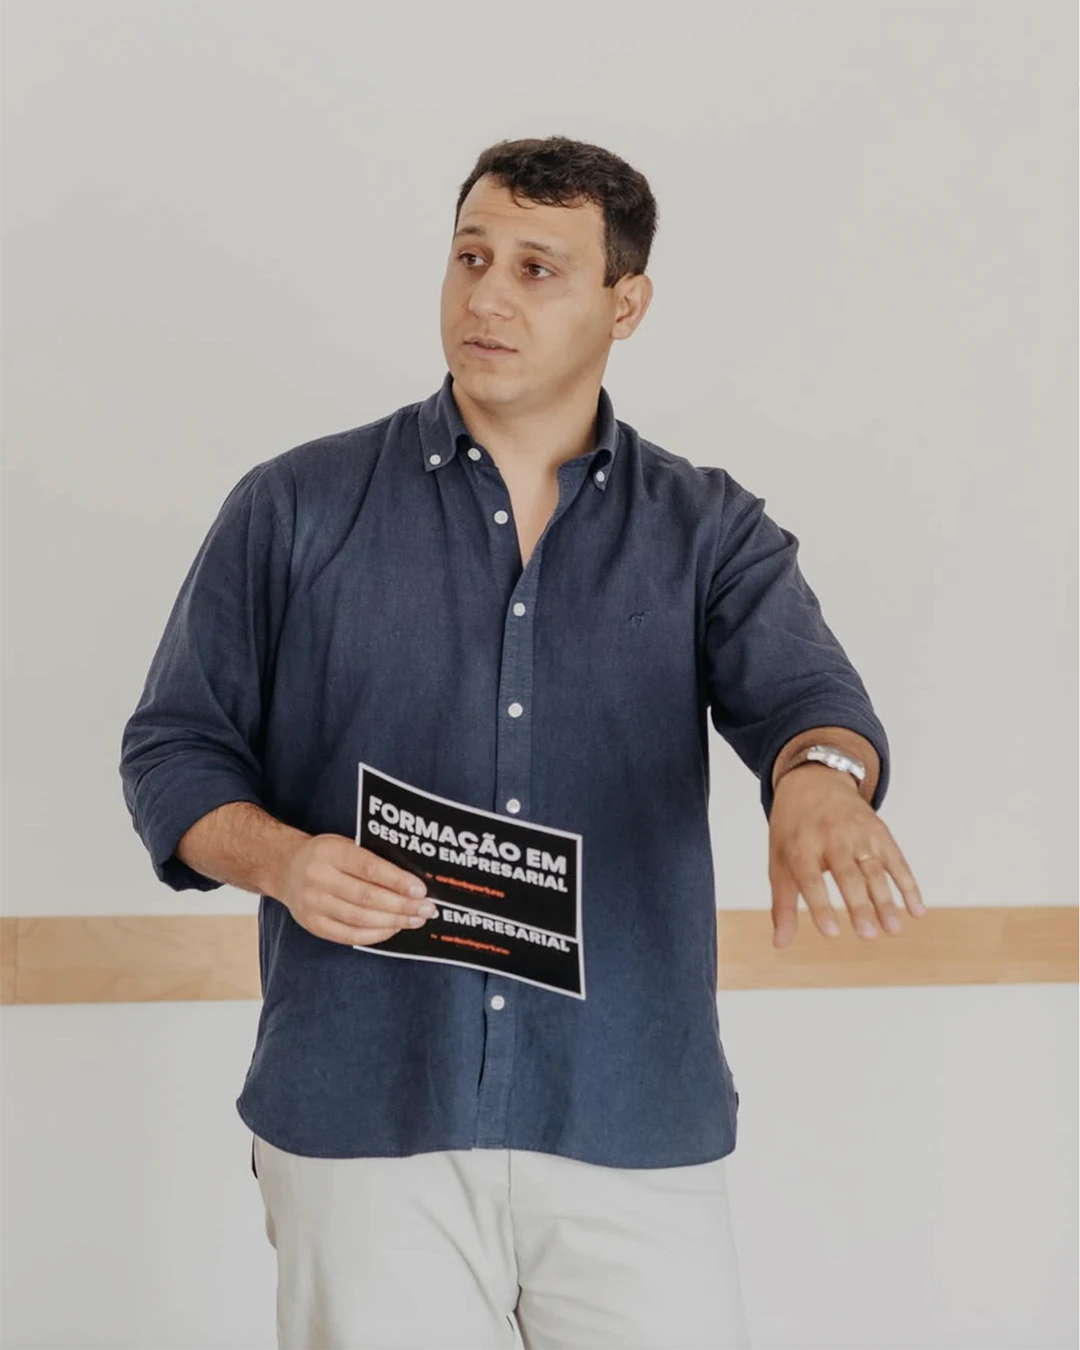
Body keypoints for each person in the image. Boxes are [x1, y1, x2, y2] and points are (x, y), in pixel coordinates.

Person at [119, 134, 925, 1350]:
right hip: (363, 1115)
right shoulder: (293, 507)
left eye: (538, 268)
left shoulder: (709, 529)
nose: (487, 294)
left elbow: (811, 704)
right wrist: (280, 858)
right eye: (469, 256)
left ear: (626, 302)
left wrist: (822, 783)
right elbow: (173, 748)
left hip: (629, 1115)